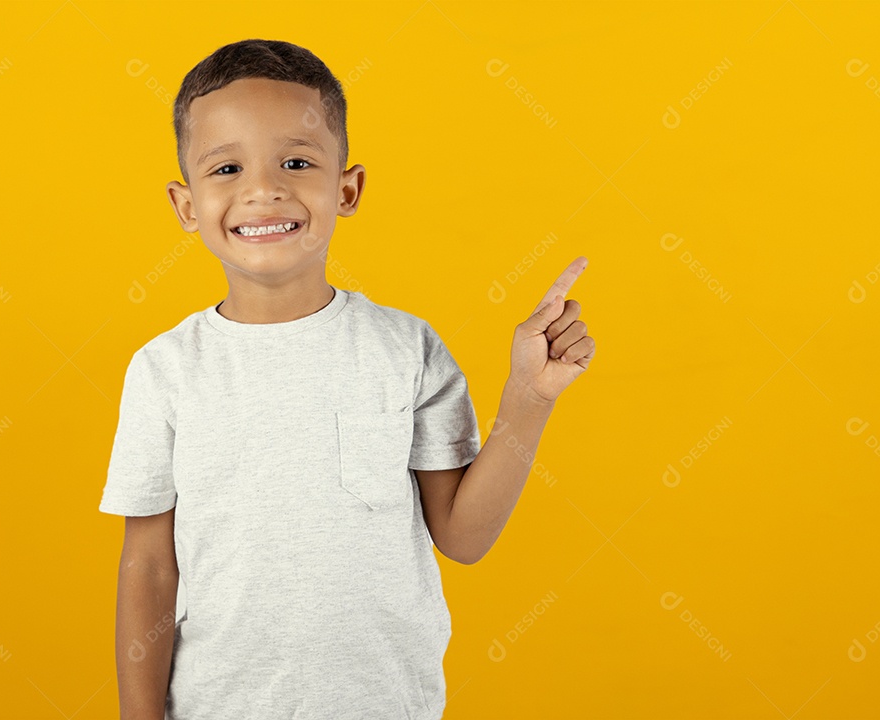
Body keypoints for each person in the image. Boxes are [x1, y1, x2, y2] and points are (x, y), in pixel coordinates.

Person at [98, 38, 595, 720]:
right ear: (186, 205)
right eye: (227, 168)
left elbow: (464, 537)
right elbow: (150, 568)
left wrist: (528, 397)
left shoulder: (407, 349)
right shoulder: (165, 369)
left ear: (347, 188)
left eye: (296, 162)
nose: (263, 189)